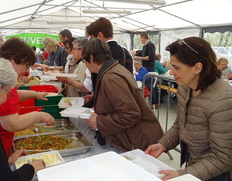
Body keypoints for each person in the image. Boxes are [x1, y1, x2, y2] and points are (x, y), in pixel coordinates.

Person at [145, 37, 232, 181]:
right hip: (195, 165)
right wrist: (163, 144)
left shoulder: (222, 100)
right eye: (171, 66)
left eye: (176, 67)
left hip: (215, 174)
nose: (171, 72)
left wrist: (182, 174)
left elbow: (222, 157)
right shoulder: (185, 87)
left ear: (198, 68)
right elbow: (180, 122)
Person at [83, 38, 163, 152]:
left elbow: (130, 114)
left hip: (133, 141)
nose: (85, 65)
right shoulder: (114, 68)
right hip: (130, 138)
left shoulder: (111, 78)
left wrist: (99, 122)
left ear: (90, 57)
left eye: (84, 61)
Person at [0, 37, 55, 157]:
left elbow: (13, 95)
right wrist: (39, 116)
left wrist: (35, 94)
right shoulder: (3, 80)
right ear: (13, 59)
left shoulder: (6, 76)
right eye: (26, 65)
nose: (25, 71)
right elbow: (11, 124)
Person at [84, 17, 134, 108]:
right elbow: (131, 77)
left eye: (91, 38)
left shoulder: (98, 55)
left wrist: (93, 100)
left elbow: (95, 85)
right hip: (125, 101)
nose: (91, 42)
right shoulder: (125, 52)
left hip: (106, 106)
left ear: (99, 35)